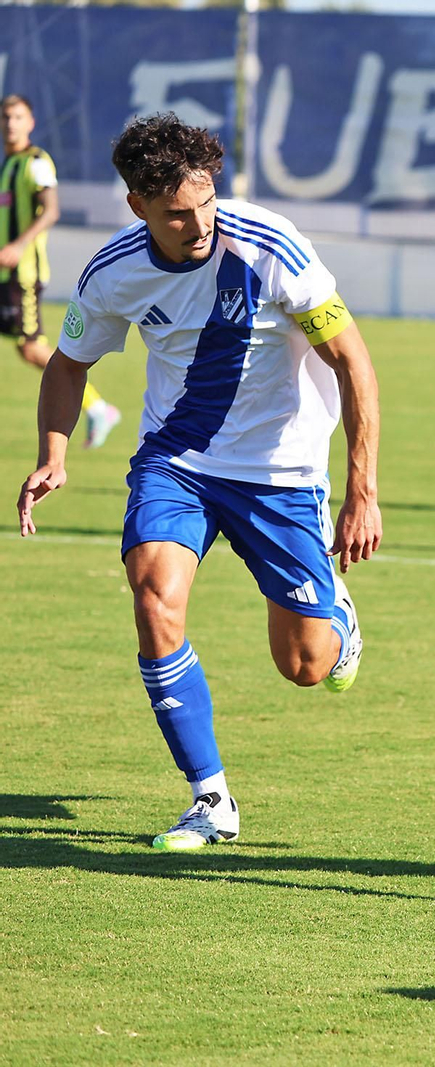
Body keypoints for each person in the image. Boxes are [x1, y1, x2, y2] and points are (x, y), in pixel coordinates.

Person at [16, 113, 381, 850]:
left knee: (304, 666)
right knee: (152, 591)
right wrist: (54, 452)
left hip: (281, 472)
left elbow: (352, 360)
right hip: (177, 461)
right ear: (138, 208)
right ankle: (210, 798)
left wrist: (361, 490)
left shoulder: (272, 247)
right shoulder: (113, 269)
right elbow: (67, 363)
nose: (199, 222)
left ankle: (335, 618)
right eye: (177, 212)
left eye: (206, 200)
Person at [1, 94, 120, 447]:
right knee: (27, 348)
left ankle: (97, 406)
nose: (10, 123)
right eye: (6, 117)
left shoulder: (36, 163)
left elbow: (50, 211)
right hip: (5, 273)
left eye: (17, 117)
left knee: (32, 347)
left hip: (23, 273)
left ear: (30, 123)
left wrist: (19, 245)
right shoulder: (8, 164)